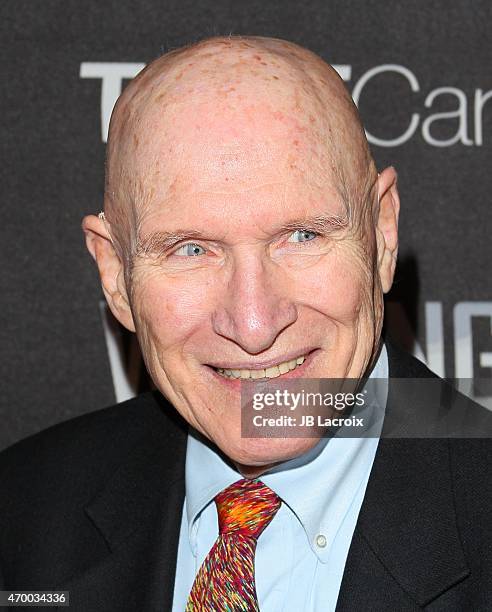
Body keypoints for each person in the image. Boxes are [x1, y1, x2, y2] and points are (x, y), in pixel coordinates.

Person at [0, 35, 490, 611]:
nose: (254, 324)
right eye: (190, 250)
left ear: (381, 236)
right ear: (115, 274)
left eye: (302, 236)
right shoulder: (21, 511)